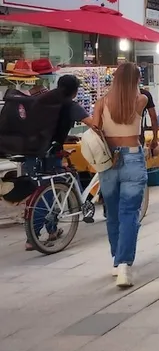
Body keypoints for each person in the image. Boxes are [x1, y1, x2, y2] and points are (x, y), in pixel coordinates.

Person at [21, 74, 92, 251]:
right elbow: (92, 123)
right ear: (75, 91)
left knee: (39, 191)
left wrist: (64, 136)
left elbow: (45, 127)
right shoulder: (70, 104)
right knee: (48, 194)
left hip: (31, 151)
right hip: (50, 153)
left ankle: (51, 231)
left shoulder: (43, 100)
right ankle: (33, 237)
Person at [95, 62, 149, 288]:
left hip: (108, 160)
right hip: (133, 157)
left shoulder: (101, 102)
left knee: (113, 212)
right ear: (135, 80)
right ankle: (124, 265)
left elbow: (97, 128)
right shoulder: (141, 100)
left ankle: (117, 260)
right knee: (129, 213)